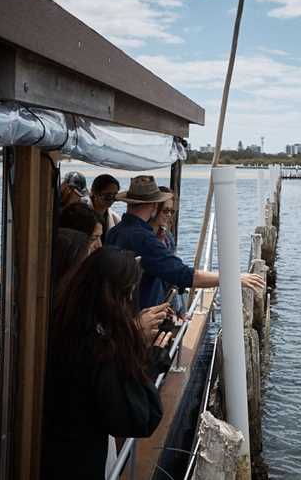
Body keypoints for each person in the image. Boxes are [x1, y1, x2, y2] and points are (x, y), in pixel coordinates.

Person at [42, 247, 173, 479]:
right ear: (116, 295)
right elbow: (135, 419)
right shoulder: (99, 349)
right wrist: (149, 360)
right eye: (129, 292)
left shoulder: (59, 321)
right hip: (79, 461)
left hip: (49, 450)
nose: (132, 299)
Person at [105, 175, 264, 311]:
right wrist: (232, 278)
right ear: (154, 205)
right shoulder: (144, 239)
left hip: (117, 312)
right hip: (140, 318)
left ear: (129, 203)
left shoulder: (114, 232)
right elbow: (183, 275)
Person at [148, 186, 176, 255]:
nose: (169, 215)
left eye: (171, 211)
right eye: (166, 211)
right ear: (154, 208)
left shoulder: (167, 234)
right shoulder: (144, 236)